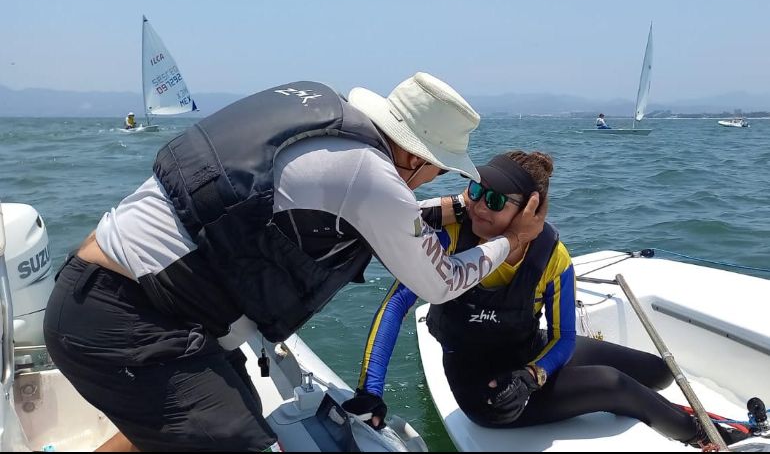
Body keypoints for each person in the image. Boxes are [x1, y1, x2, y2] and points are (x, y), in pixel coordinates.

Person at [43, 72, 547, 451]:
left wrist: (459, 208)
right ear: (415, 155)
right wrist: (513, 243)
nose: (433, 179)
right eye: (437, 169)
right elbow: (442, 280)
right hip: (129, 322)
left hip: (94, 298)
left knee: (180, 421)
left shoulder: (333, 138)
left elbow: (368, 214)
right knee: (235, 440)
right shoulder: (371, 178)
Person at [343, 150, 747, 449]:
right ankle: (705, 435)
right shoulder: (448, 239)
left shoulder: (551, 256)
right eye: (476, 190)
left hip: (529, 359)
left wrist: (533, 375)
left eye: (497, 200)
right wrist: (371, 388)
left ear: (529, 211)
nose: (479, 205)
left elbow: (563, 336)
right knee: (615, 385)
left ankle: (668, 406)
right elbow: (395, 306)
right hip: (486, 388)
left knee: (657, 371)